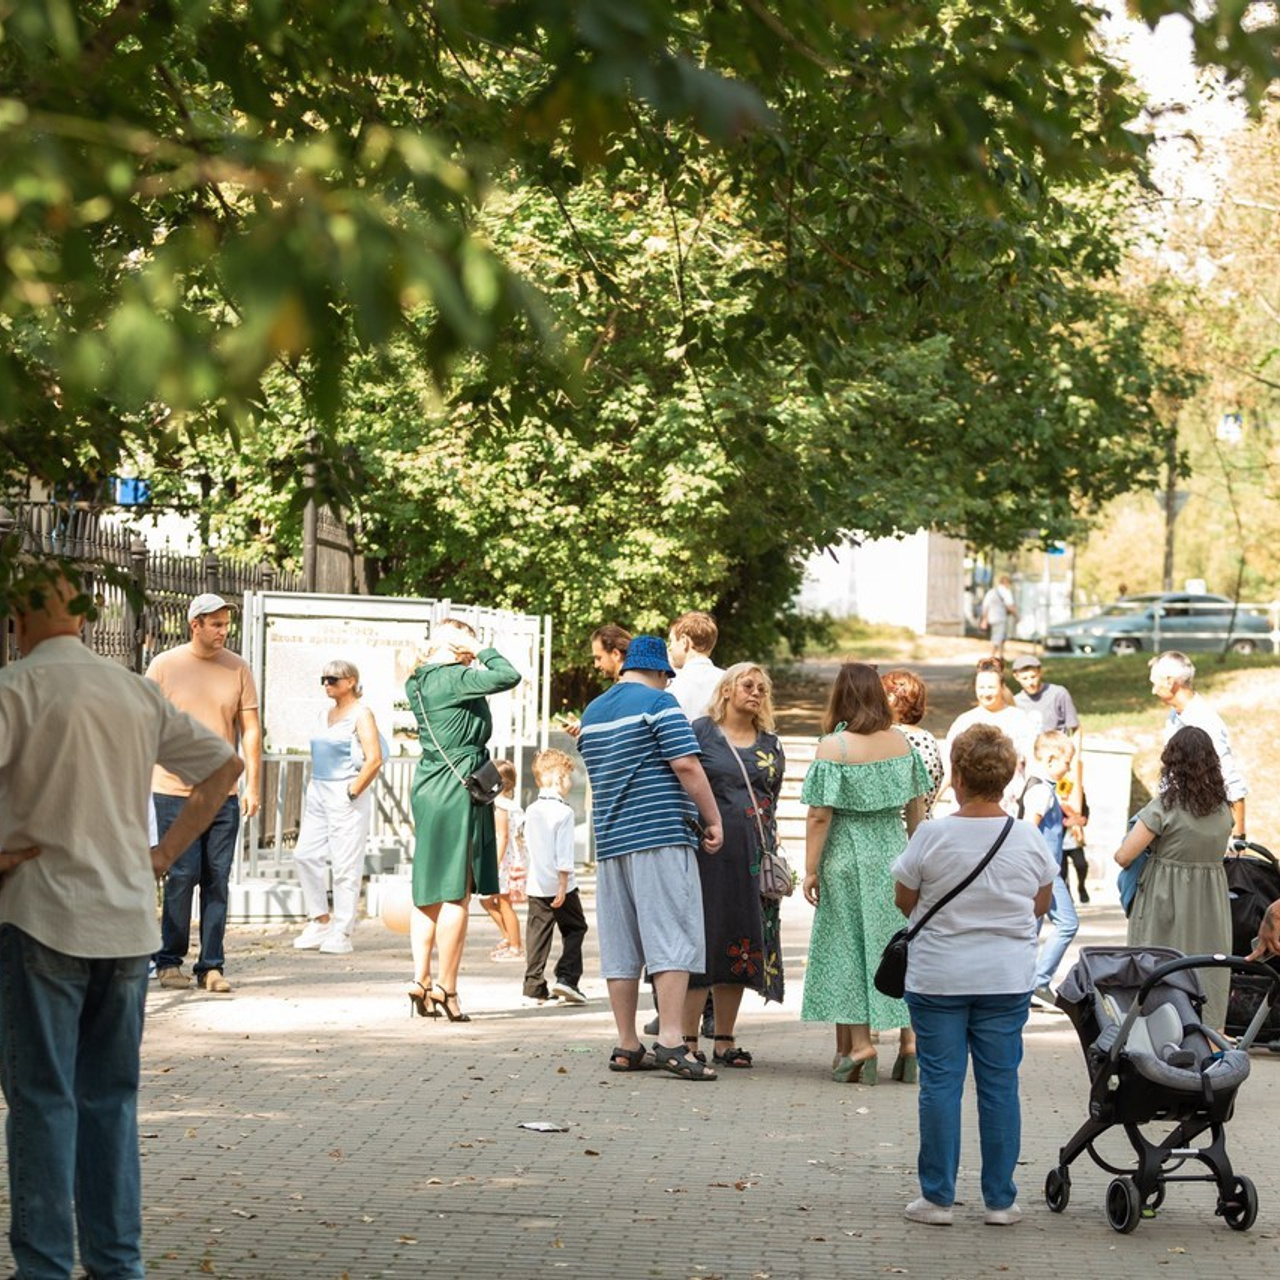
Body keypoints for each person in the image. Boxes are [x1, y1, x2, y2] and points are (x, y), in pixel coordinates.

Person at [0, 573, 242, 1278]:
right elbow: (222, 767)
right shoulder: (132, 689)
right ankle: (116, 1263)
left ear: (19, 616)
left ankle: (45, 1266)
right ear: (85, 616)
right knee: (109, 1102)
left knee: (43, 1101)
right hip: (127, 921)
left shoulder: (16, 689)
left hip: (40, 913)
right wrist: (163, 855)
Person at [891, 724, 1057, 1227]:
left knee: (940, 1086)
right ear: (1007, 779)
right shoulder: (1027, 838)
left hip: (938, 977)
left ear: (957, 776)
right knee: (1000, 1086)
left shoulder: (932, 835)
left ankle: (937, 1198)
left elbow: (904, 899)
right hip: (1005, 979)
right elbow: (1040, 905)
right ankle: (1000, 1201)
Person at [575, 635, 724, 1080]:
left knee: (620, 944)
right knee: (672, 936)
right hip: (659, 834)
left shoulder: (593, 711)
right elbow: (686, 765)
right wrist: (712, 818)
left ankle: (626, 1044)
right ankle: (673, 1042)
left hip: (611, 840)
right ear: (662, 672)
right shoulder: (661, 705)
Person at [801, 663, 931, 1084]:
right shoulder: (902, 744)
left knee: (849, 950)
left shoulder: (833, 747)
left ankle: (861, 1046)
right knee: (898, 946)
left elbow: (820, 816)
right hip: (893, 851)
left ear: (841, 696)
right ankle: (910, 1046)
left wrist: (810, 869)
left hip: (845, 855)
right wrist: (915, 859)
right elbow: (916, 810)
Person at [405, 618, 522, 1022]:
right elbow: (509, 674)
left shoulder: (418, 680)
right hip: (460, 788)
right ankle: (446, 988)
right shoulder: (455, 677)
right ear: (456, 643)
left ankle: (419, 980)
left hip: (428, 783)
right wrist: (479, 647)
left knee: (428, 889)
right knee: (458, 890)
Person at [148, 592, 262, 993]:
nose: (223, 632)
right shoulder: (164, 666)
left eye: (226, 624)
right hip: (172, 790)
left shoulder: (238, 668)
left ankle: (211, 966)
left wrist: (253, 785)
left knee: (217, 878)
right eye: (215, 624)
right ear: (194, 624)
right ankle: (168, 961)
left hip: (222, 793)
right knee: (181, 875)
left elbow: (250, 729)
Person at [685, 663, 786, 1069]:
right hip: (707, 853)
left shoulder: (771, 742)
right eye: (748, 685)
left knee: (742, 943)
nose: (756, 693)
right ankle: (687, 1039)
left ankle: (724, 1039)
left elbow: (772, 800)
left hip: (753, 857)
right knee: (702, 941)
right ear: (726, 689)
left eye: (762, 688)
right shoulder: (700, 732)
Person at [1115, 726, 1234, 1029]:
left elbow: (1124, 856)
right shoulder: (1224, 811)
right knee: (1206, 971)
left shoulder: (1163, 807)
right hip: (1210, 904)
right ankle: (1205, 1037)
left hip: (1164, 899)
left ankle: (1159, 1035)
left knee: (1157, 967)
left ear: (1172, 762)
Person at [292, 659, 385, 955]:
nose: (326, 684)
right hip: (318, 789)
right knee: (304, 854)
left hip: (346, 790)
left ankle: (342, 930)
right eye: (324, 679)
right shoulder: (325, 713)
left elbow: (374, 758)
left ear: (351, 682)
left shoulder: (362, 713)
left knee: (345, 863)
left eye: (332, 679)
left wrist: (353, 789)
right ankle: (320, 919)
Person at [1149, 651, 1247, 845]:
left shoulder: (1205, 721)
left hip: (1201, 826)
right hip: (1177, 820)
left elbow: (1232, 783)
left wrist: (1238, 839)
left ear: (1170, 682)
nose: (1153, 690)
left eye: (1155, 682)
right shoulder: (1175, 716)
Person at [521, 749, 589, 1005]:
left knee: (538, 935)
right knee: (575, 928)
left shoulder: (532, 809)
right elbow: (563, 854)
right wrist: (563, 885)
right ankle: (567, 978)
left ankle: (533, 986)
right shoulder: (564, 812)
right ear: (559, 778)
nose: (571, 783)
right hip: (562, 885)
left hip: (536, 883)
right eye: (569, 777)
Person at [1019, 731, 1079, 1007]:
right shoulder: (1041, 791)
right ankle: (1038, 982)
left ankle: (1023, 983)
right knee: (1067, 923)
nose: (1068, 768)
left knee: (1032, 927)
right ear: (1051, 758)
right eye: (1067, 762)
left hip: (1042, 869)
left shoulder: (1045, 789)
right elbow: (1030, 829)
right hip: (1044, 870)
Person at [942, 668, 1037, 813]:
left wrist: (1031, 806)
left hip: (1009, 807)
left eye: (991, 687)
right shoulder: (964, 721)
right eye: (981, 687)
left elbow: (1033, 765)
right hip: (967, 808)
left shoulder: (1020, 719)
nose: (986, 693)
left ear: (1002, 687)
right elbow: (950, 768)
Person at [1011, 654, 1084, 795]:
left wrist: (1074, 761)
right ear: (1016, 677)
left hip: (1058, 761)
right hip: (1031, 763)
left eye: (1033, 677)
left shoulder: (1058, 694)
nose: (1030, 682)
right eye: (1025, 678)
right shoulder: (1016, 702)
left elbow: (1075, 729)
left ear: (1040, 672)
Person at [479, 759, 526, 961]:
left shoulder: (501, 805)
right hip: (510, 859)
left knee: (504, 904)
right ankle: (508, 937)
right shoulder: (508, 804)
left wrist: (494, 863)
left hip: (505, 862)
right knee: (487, 900)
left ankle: (515, 946)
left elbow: (503, 835)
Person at [882, 668, 944, 818]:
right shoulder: (928, 738)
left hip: (893, 829)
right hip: (924, 828)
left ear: (891, 698)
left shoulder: (888, 738)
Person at [667, 610, 725, 720]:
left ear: (684, 641)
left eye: (672, 641)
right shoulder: (728, 681)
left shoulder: (672, 683)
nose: (670, 648)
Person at [980, 574, 1018, 659]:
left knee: (1000, 636)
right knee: (998, 637)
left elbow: (985, 606)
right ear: (1007, 583)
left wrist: (984, 619)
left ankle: (1001, 655)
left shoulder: (991, 592)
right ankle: (992, 657)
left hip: (991, 618)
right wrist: (1017, 616)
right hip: (1001, 618)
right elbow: (1010, 606)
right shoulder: (1006, 592)